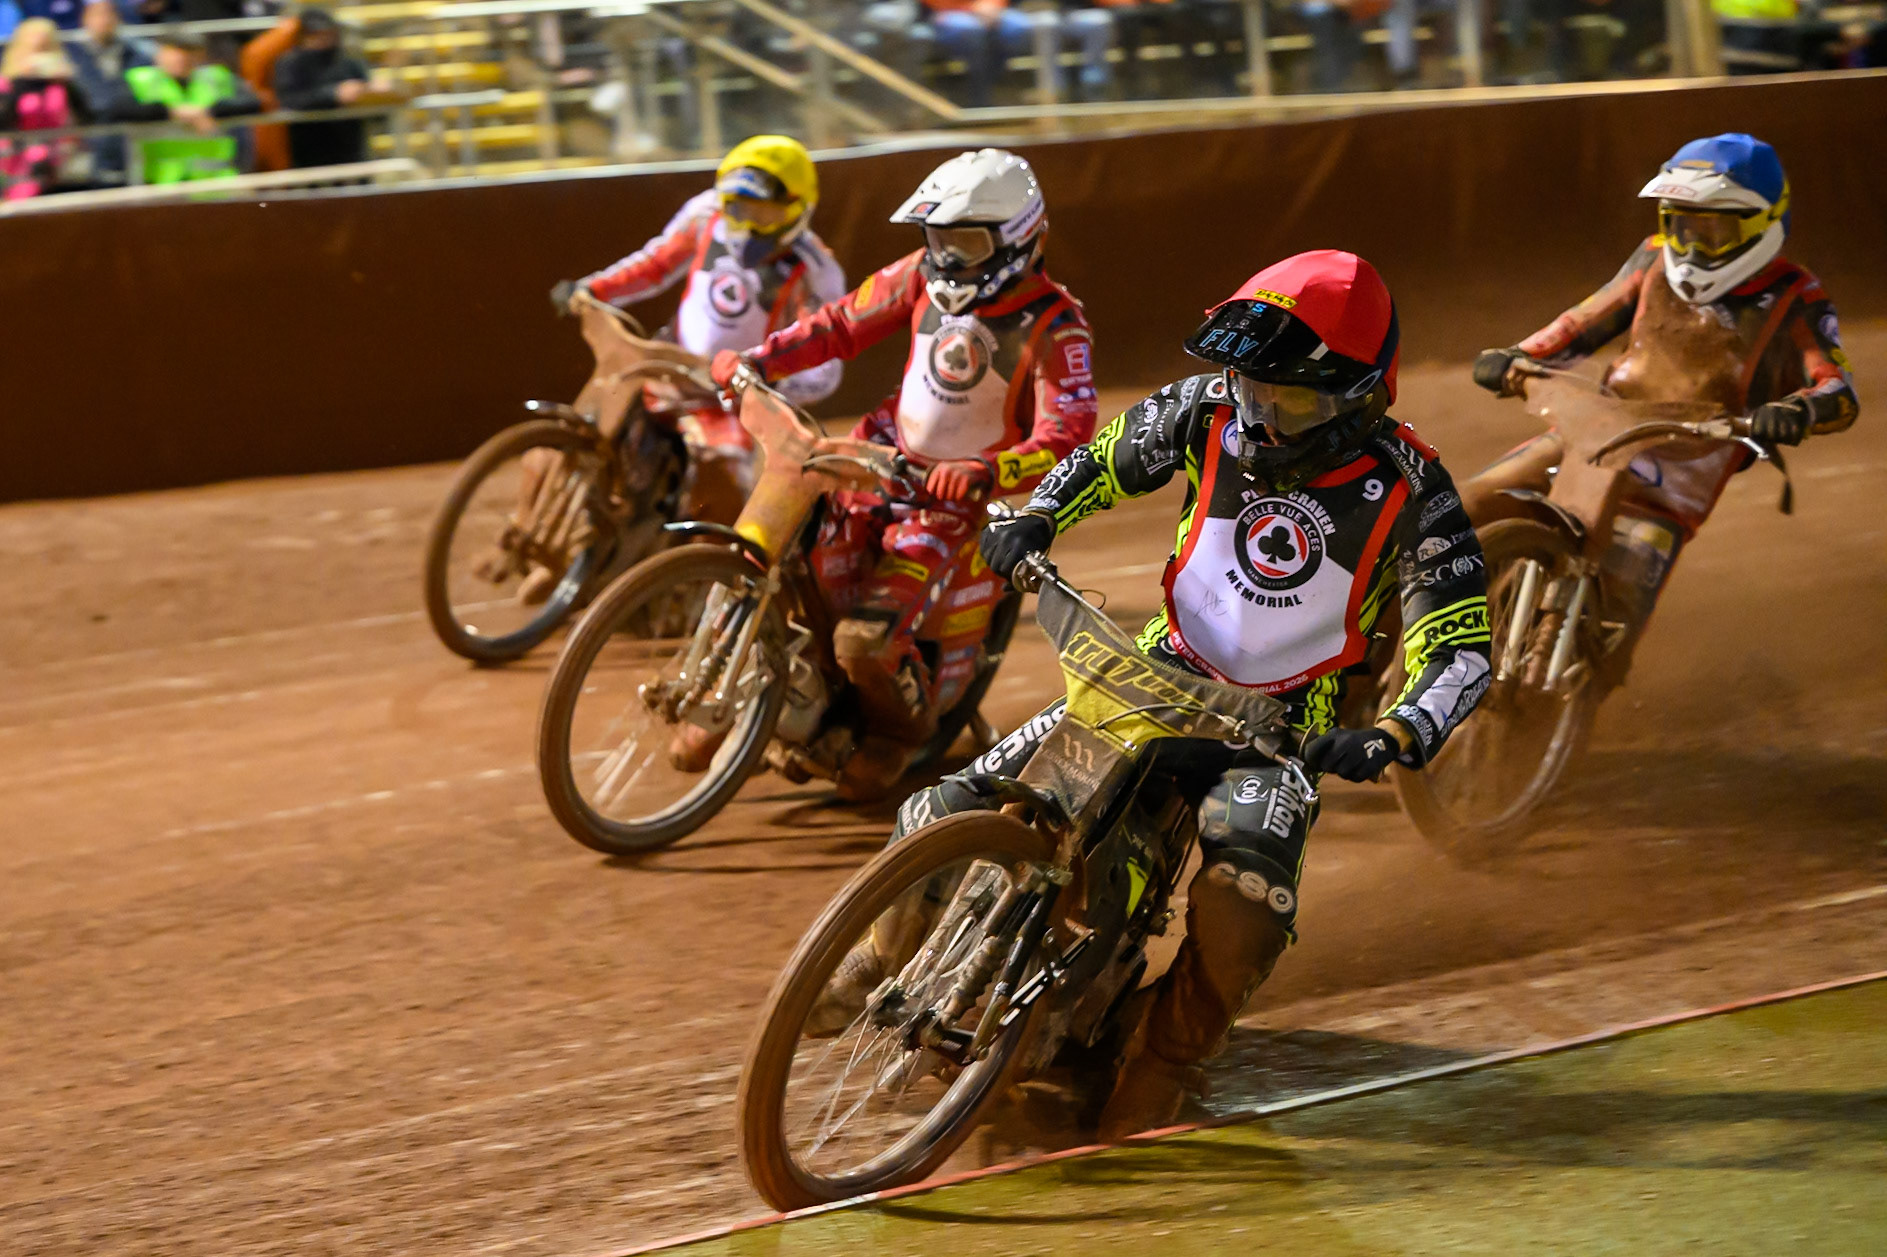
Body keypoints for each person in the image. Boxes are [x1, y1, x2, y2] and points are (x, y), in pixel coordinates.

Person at [889, 250, 1492, 1133]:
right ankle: (876, 961)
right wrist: (1034, 516)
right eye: (1247, 387)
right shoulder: (1203, 407)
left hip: (1278, 729)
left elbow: (1462, 649)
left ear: (1358, 395)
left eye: (1284, 397)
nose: (1255, 412)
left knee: (1241, 905)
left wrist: (1399, 734)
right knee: (934, 814)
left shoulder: (1415, 490)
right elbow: (1100, 462)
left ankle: (1168, 1054)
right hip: (1150, 672)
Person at [708, 147, 1100, 797]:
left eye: (964, 241)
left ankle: (896, 734)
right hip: (872, 458)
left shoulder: (1058, 326)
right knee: (799, 561)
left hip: (950, 499)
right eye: (936, 237)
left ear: (1018, 237)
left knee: (865, 640)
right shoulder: (918, 276)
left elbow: (1068, 432)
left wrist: (986, 469)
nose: (945, 257)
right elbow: (839, 324)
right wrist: (759, 360)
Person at [1463, 134, 1858, 666]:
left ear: (1763, 224)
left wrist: (1798, 409)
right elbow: (1584, 322)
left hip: (1688, 462)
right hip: (1603, 427)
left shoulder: (1795, 294)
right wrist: (1517, 356)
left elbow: (1837, 386)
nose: (1693, 246)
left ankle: (1569, 692)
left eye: (1714, 229)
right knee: (1465, 507)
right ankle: (1388, 644)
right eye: (1682, 225)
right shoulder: (1652, 260)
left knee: (1615, 615)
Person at [544, 135, 846, 556]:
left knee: (721, 481)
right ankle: (555, 541)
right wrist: (592, 288)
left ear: (798, 208)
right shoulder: (707, 213)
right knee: (583, 435)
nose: (746, 223)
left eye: (763, 211)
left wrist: (765, 381)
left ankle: (695, 577)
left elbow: (825, 363)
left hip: (729, 398)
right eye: (739, 208)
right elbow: (655, 264)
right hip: (665, 365)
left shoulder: (816, 269)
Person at [108, 30, 260, 183]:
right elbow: (118, 109)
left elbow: (252, 103)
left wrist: (208, 112)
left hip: (215, 179)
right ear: (159, 54)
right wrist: (172, 112)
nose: (181, 58)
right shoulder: (139, 79)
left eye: (188, 51)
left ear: (201, 55)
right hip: (160, 180)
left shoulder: (216, 76)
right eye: (174, 52)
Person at [924, 0, 1115, 105]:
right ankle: (979, 95)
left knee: (1018, 27)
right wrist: (973, 8)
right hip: (950, 13)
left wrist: (992, 7)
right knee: (972, 30)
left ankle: (1086, 89)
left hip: (993, 11)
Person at [273, 8, 392, 168]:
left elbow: (377, 114)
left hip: (351, 151)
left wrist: (374, 94)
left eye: (328, 33)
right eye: (315, 35)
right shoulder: (290, 64)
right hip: (309, 153)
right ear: (303, 36)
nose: (323, 40)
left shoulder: (348, 62)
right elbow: (290, 101)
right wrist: (333, 94)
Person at [0, 17, 88, 196]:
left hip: (60, 164)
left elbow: (86, 118)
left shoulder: (60, 85)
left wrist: (69, 84)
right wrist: (21, 84)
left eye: (44, 50)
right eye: (33, 50)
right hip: (16, 167)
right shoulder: (6, 85)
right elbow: (4, 123)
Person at [65, 0, 150, 178]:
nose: (104, 20)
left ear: (118, 19)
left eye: (108, 14)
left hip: (131, 134)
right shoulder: (71, 58)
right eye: (97, 15)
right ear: (84, 20)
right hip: (90, 137)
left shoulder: (138, 55)